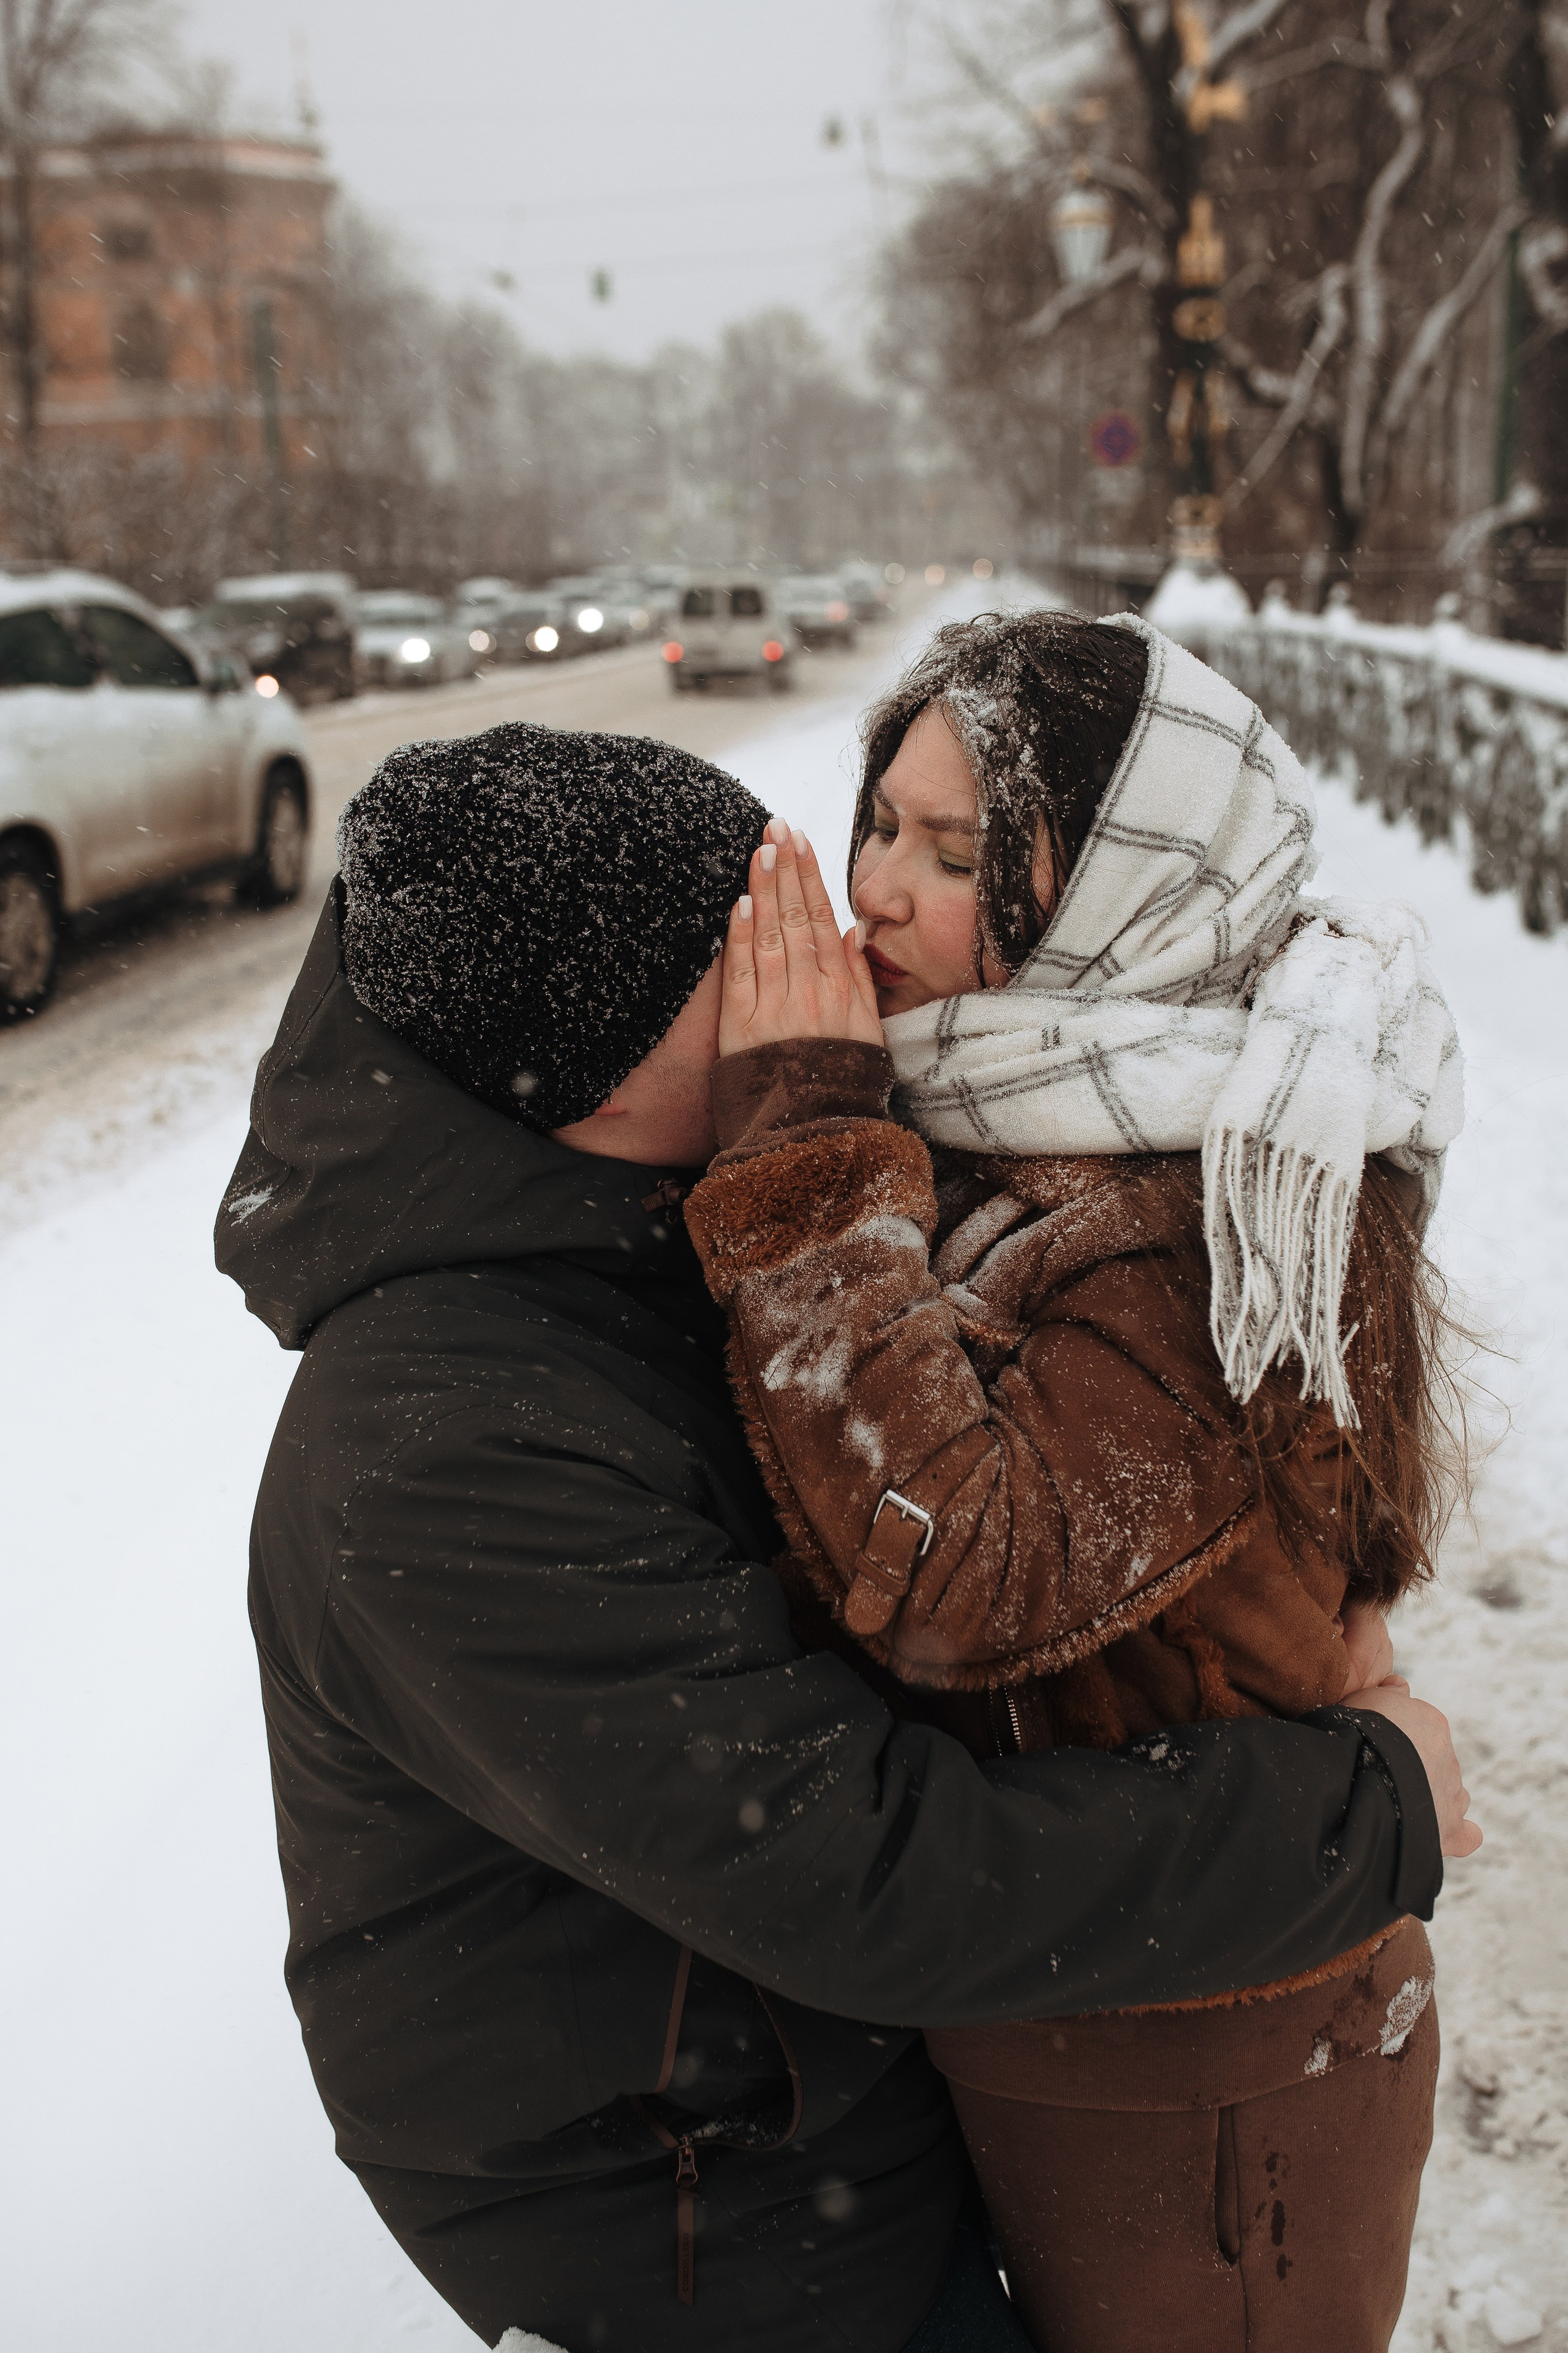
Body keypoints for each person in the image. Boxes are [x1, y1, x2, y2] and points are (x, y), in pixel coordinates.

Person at [217, 716, 1476, 2353]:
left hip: (811, 2075)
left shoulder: (609, 1199)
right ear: (598, 1078)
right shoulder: (443, 1449)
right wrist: (1363, 1813)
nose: (830, 970)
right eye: (759, 958)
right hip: (707, 2217)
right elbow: (866, 1869)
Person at [681, 610, 1479, 2353]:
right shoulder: (1022, 1107)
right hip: (1088, 2003)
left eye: (954, 851)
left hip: (1213, 2071)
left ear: (1126, 898)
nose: (874, 888)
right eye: (879, 821)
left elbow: (970, 1566)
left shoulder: (1199, 1206)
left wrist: (814, 1167)